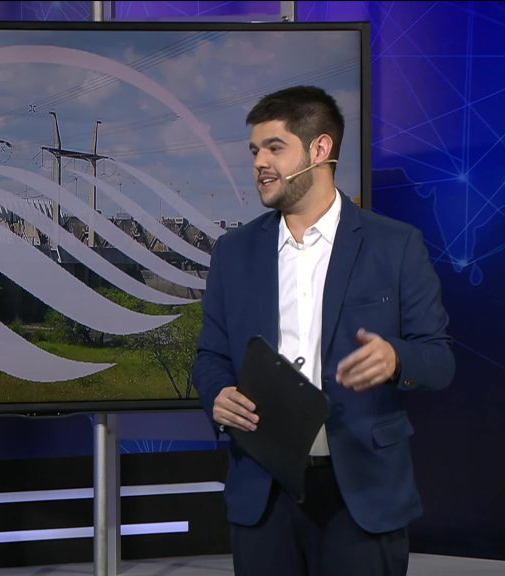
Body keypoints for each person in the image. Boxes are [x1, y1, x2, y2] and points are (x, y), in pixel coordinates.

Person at [192, 85, 455, 576]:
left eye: (274, 148)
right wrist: (217, 394)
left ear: (320, 149)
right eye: (254, 151)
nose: (260, 163)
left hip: (363, 493)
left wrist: (396, 358)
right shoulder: (233, 252)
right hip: (263, 491)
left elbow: (439, 360)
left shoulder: (394, 245)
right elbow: (210, 356)